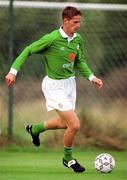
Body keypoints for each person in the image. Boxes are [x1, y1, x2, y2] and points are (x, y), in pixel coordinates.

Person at [5, 6, 103, 173]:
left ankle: (34, 129)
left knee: (67, 124)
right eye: (75, 22)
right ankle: (68, 159)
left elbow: (79, 62)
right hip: (54, 86)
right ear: (65, 21)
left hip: (70, 85)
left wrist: (91, 77)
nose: (78, 25)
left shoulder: (78, 39)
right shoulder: (52, 38)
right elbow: (28, 50)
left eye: (79, 22)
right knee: (75, 125)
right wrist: (13, 72)